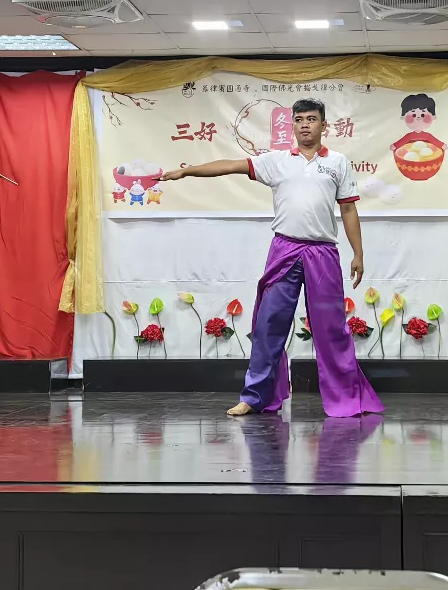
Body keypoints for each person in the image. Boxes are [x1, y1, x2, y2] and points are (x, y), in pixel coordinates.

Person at [161, 98, 382, 419]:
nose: (305, 125)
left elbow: (348, 209)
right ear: (292, 125)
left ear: (323, 125)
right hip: (285, 250)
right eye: (299, 120)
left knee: (332, 328)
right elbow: (231, 165)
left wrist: (358, 253)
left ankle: (347, 399)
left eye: (311, 119)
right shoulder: (276, 161)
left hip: (322, 252)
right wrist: (187, 171)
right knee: (268, 325)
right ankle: (255, 397)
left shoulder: (338, 163)